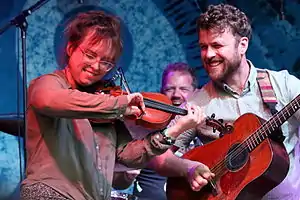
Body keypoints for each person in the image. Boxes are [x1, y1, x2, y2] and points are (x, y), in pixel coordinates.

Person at [20, 10, 212, 200]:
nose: (96, 66)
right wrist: (120, 104)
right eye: (90, 54)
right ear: (71, 48)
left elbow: (127, 155)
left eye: (106, 62)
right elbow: (50, 100)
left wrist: (176, 129)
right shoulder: (47, 84)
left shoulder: (105, 106)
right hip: (48, 194)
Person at [150, 3, 300, 199]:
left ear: (243, 45)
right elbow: (158, 156)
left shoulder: (283, 85)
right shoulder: (198, 102)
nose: (208, 54)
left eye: (217, 45)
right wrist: (187, 168)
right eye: (203, 47)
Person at [133, 62, 199, 200]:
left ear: (195, 92)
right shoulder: (147, 126)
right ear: (161, 92)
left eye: (183, 89)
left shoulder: (202, 130)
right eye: (170, 89)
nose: (176, 94)